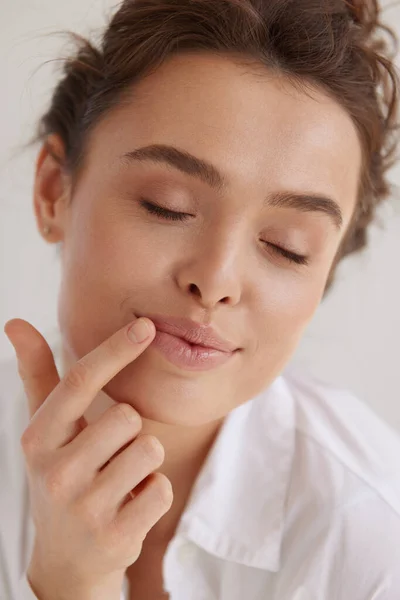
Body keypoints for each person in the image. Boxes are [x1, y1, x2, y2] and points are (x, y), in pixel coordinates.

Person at [1, 0, 400, 598]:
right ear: (55, 190)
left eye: (286, 247)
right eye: (167, 206)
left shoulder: (370, 535)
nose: (215, 280)